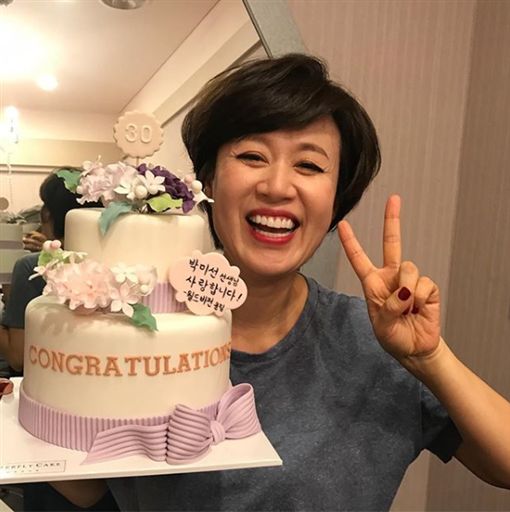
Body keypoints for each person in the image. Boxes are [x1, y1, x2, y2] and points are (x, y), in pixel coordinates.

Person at [58, 54, 510, 510]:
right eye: (252, 156)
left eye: (309, 166)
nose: (277, 186)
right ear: (208, 180)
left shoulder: (377, 340)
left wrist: (430, 358)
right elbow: (85, 486)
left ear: (336, 199)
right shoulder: (136, 330)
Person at [0, 169, 100, 372]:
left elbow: (18, 358)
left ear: (46, 213)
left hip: (36, 378)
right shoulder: (104, 263)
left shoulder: (31, 266)